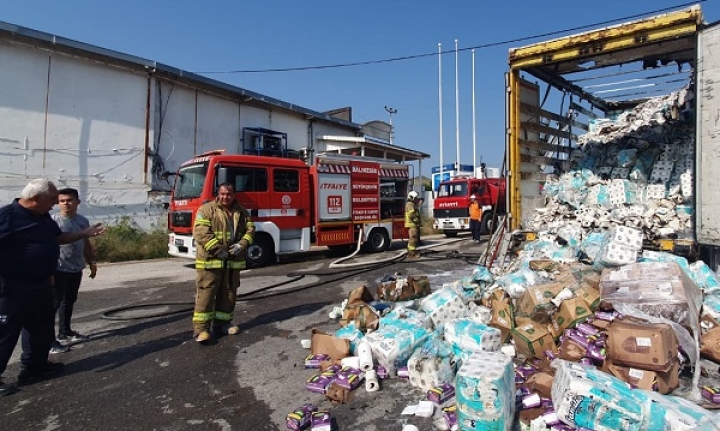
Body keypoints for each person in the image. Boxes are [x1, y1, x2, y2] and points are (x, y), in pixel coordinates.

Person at [0, 179, 104, 395]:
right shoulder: (8, 215)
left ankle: (34, 368)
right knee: (5, 332)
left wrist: (83, 234)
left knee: (40, 328)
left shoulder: (43, 217)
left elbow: (57, 238)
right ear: (35, 199)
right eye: (52, 199)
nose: (55, 204)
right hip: (12, 287)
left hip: (40, 284)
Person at [192, 183, 255, 343]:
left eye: (229, 194)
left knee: (228, 295)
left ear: (234, 195)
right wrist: (217, 249)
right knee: (206, 296)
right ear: (218, 194)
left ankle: (223, 324)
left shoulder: (242, 211)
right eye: (223, 193)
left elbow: (250, 230)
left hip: (231, 263)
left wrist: (242, 244)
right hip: (211, 262)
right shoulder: (206, 210)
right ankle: (201, 330)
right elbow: (200, 232)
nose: (226, 197)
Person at [49, 188, 97, 354]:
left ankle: (65, 332)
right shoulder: (53, 221)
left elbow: (86, 242)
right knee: (53, 304)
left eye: (69, 200)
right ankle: (49, 341)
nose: (66, 203)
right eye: (62, 201)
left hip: (75, 267)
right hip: (58, 268)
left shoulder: (82, 221)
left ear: (77, 202)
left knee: (69, 300)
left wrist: (91, 261)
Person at [405, 191, 422, 259]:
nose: (416, 199)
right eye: (415, 198)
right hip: (412, 224)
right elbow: (412, 214)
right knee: (413, 240)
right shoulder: (410, 204)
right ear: (411, 197)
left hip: (413, 224)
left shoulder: (411, 204)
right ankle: (412, 254)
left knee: (414, 240)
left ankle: (412, 253)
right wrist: (417, 221)